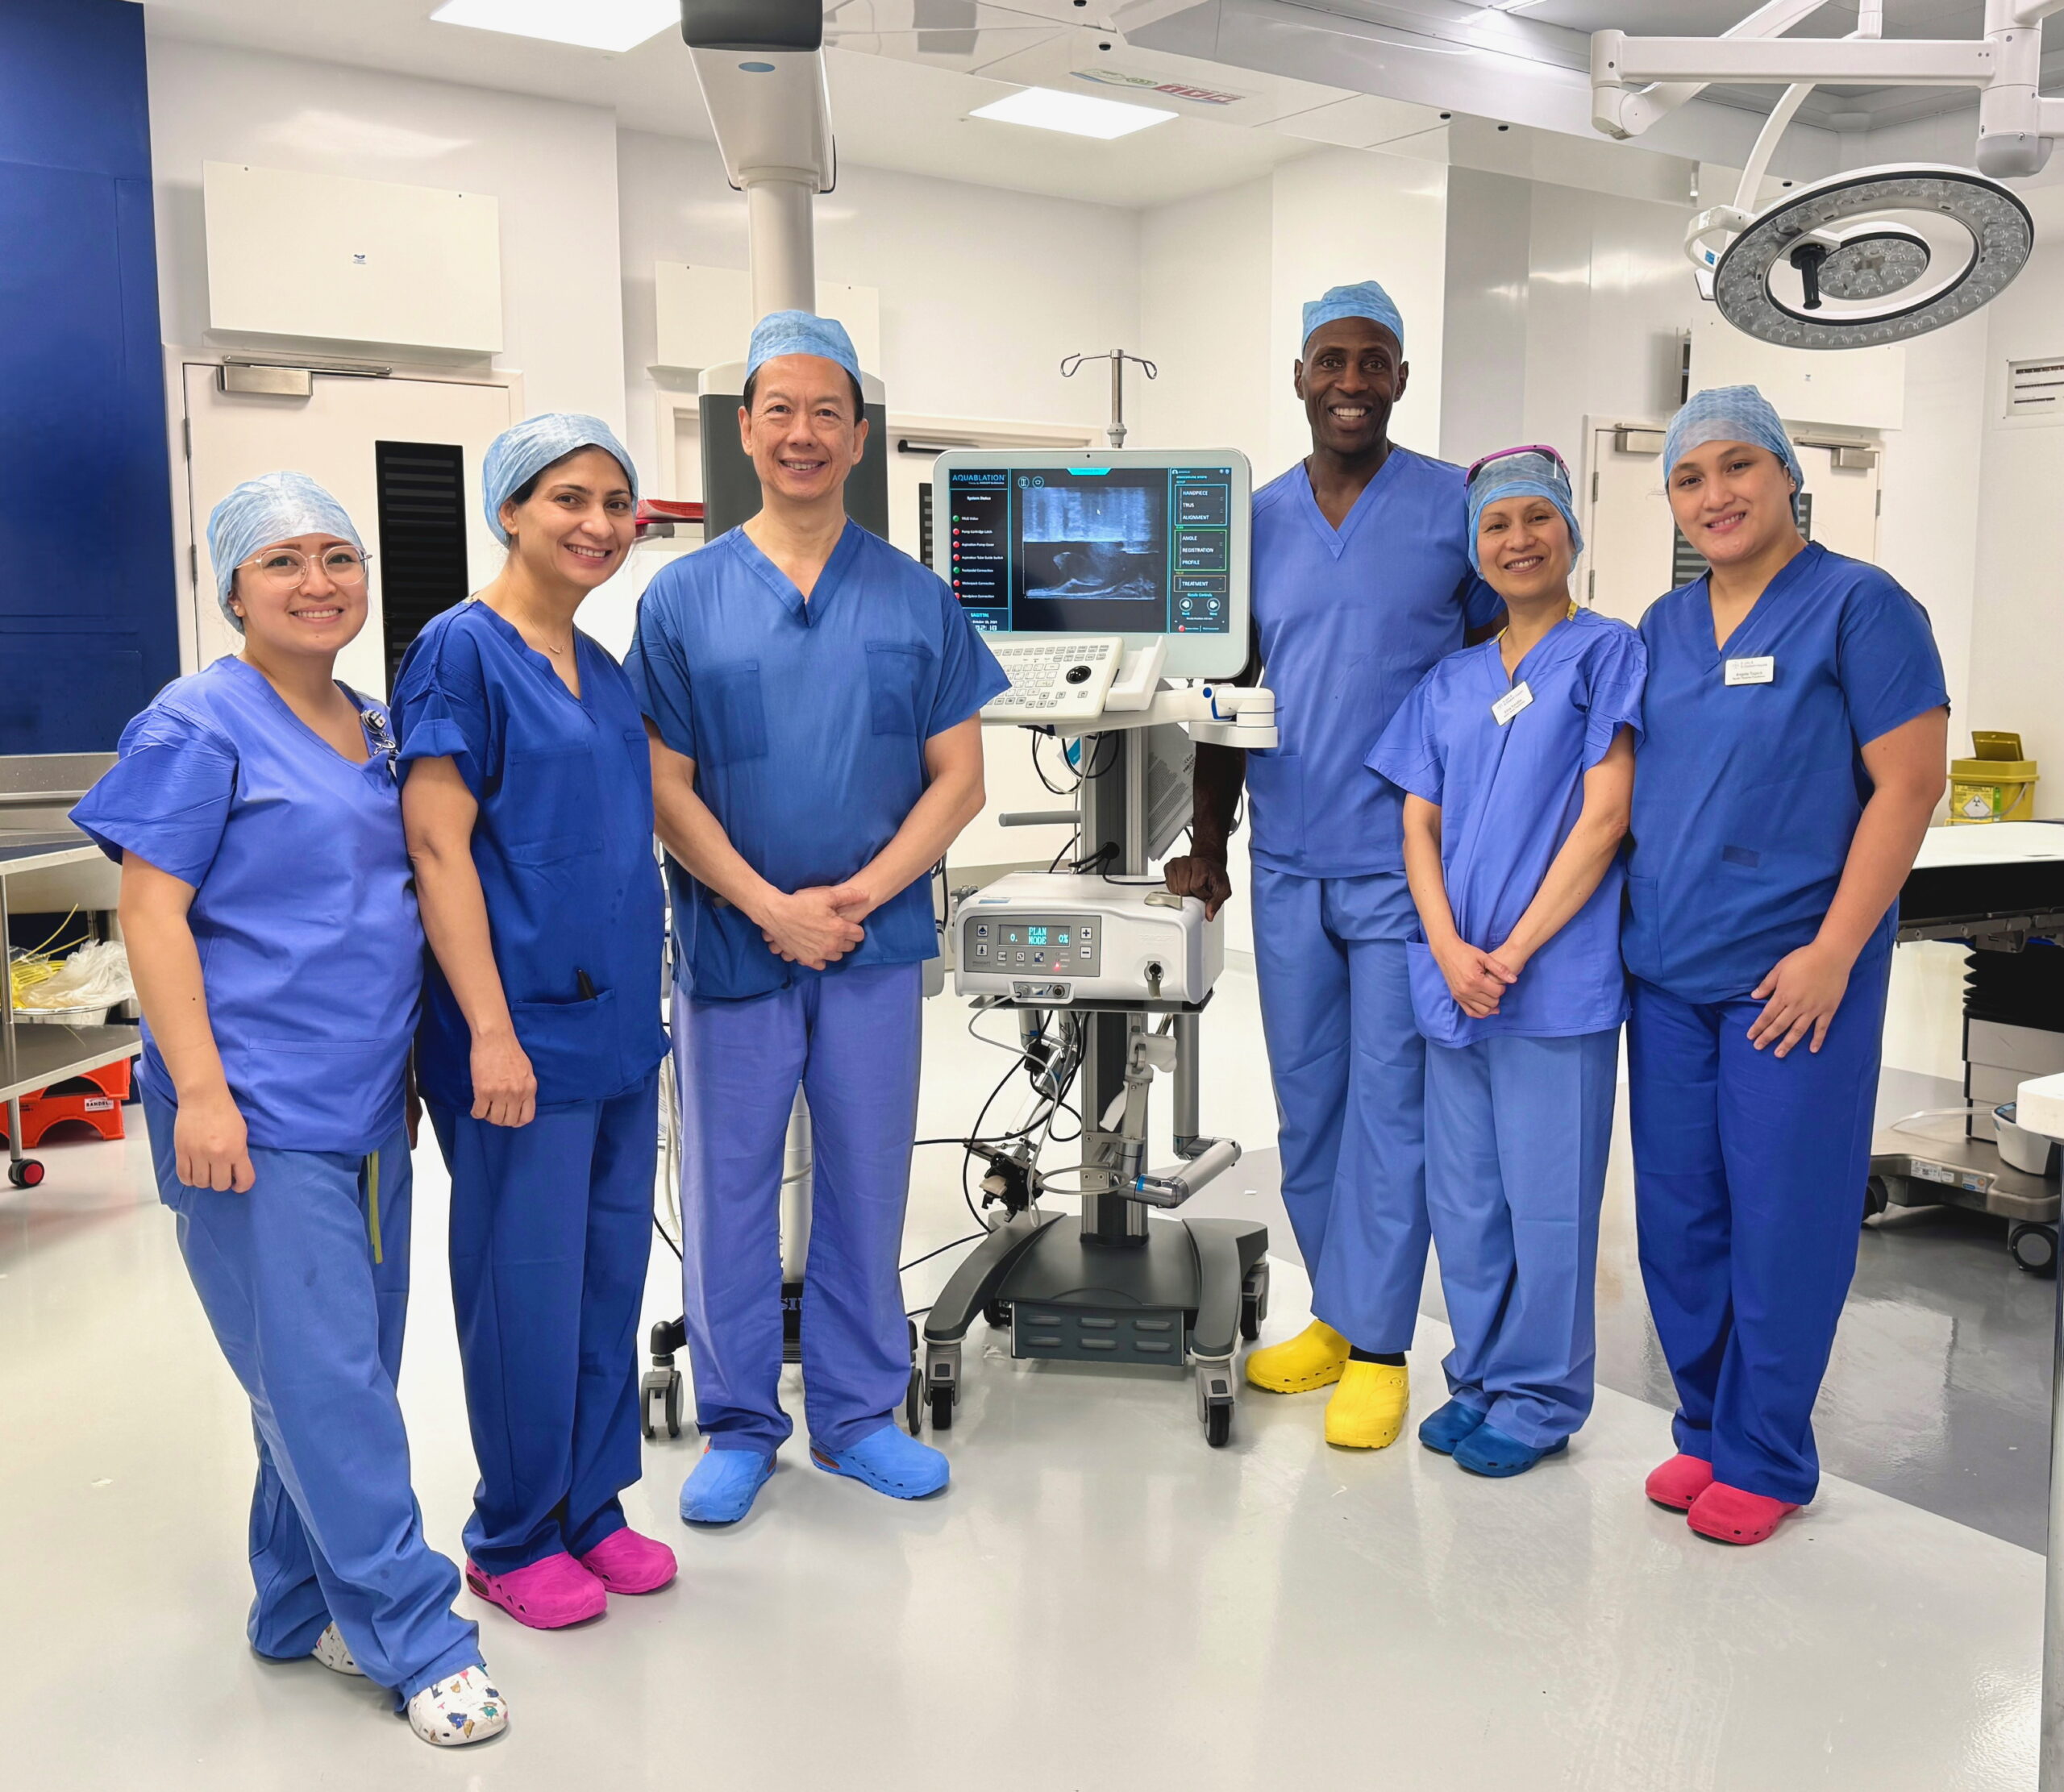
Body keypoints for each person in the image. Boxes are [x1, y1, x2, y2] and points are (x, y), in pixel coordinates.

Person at [70, 474, 504, 1746]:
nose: (319, 582)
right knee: (328, 1385)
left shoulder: (371, 722)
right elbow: (149, 913)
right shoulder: (197, 723)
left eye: (339, 557)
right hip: (249, 1113)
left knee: (329, 1373)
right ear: (232, 590)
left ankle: (294, 1598)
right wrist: (197, 1090)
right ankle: (418, 1634)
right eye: (283, 563)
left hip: (364, 1106)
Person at [629, 311, 1005, 1525]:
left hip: (872, 944)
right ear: (744, 431)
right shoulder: (682, 599)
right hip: (737, 943)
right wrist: (767, 906)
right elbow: (660, 782)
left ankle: (853, 1412)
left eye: (825, 413)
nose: (801, 432)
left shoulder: (916, 598)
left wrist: (857, 896)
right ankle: (742, 1421)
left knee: (865, 1179)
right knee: (730, 1183)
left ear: (857, 437)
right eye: (778, 410)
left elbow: (962, 776)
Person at [1164, 281, 1502, 1449]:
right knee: (1307, 1105)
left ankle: (1383, 1345)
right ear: (1301, 378)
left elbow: (1489, 682)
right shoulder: (1252, 519)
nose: (1351, 381)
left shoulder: (1454, 507)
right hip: (1290, 856)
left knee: (1389, 1109)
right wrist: (1207, 844)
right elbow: (1225, 699)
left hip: (1406, 867)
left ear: (1401, 378)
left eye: (1374, 361)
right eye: (1330, 361)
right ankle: (1333, 1308)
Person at [1628, 386, 1947, 1545]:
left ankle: (1770, 1450)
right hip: (1665, 969)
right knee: (1679, 1213)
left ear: (1785, 474)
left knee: (1782, 1209)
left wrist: (1833, 950)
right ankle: (1707, 1427)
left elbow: (1909, 786)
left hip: (1795, 972)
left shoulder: (1862, 607)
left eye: (1735, 467)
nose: (1715, 495)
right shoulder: (1662, 628)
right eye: (1689, 477)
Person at [393, 415, 676, 1628]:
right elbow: (435, 844)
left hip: (612, 1027)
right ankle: (511, 1531)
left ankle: (589, 1504)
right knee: (524, 1282)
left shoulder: (602, 667)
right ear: (510, 510)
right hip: (515, 1041)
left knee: (610, 1272)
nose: (599, 523)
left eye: (618, 502)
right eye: (571, 497)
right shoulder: (460, 650)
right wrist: (489, 1032)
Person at [1369, 447, 1644, 1478]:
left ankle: (1539, 1395)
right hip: (1454, 980)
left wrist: (1512, 951)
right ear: (1474, 549)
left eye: (1537, 519)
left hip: (1551, 983)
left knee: (1548, 1201)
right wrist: (1447, 950)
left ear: (1571, 532)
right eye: (1496, 525)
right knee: (1468, 1201)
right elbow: (1417, 828)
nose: (1518, 540)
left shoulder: (1606, 654)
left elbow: (1604, 815)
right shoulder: (1449, 680)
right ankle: (1479, 1375)